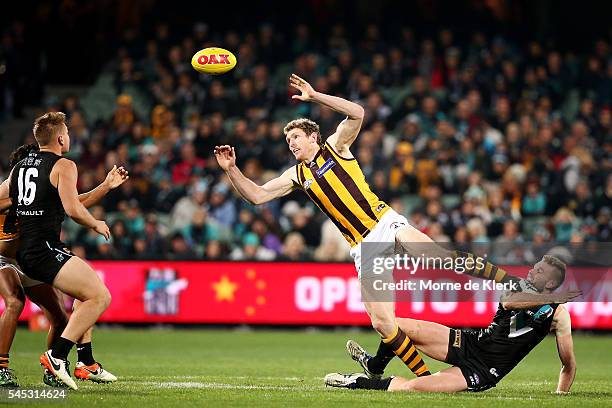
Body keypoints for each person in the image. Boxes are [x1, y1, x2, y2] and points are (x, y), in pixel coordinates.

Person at [215, 74, 521, 378]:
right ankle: (425, 381)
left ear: (312, 137)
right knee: (384, 323)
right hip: (363, 247)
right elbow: (256, 195)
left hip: (384, 222)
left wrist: (316, 95)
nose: (290, 143)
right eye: (287, 140)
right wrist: (232, 170)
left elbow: (357, 112)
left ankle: (512, 283)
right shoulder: (296, 175)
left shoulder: (335, 147)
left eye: (295, 137)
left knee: (439, 256)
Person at [325, 255, 579, 394]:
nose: (532, 272)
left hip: (482, 371)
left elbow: (568, 364)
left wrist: (561, 396)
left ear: (550, 284)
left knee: (411, 389)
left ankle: (356, 382)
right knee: (396, 325)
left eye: (540, 272)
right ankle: (374, 365)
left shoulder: (559, 315)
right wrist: (551, 298)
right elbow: (512, 304)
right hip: (470, 343)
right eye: (535, 267)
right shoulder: (518, 287)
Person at [0, 143, 127, 387]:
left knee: (60, 315)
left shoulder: (40, 191)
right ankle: (1, 367)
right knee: (15, 301)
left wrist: (106, 186)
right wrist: (14, 201)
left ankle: (57, 369)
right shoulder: (11, 186)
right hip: (4, 258)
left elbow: (74, 204)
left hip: (28, 257)